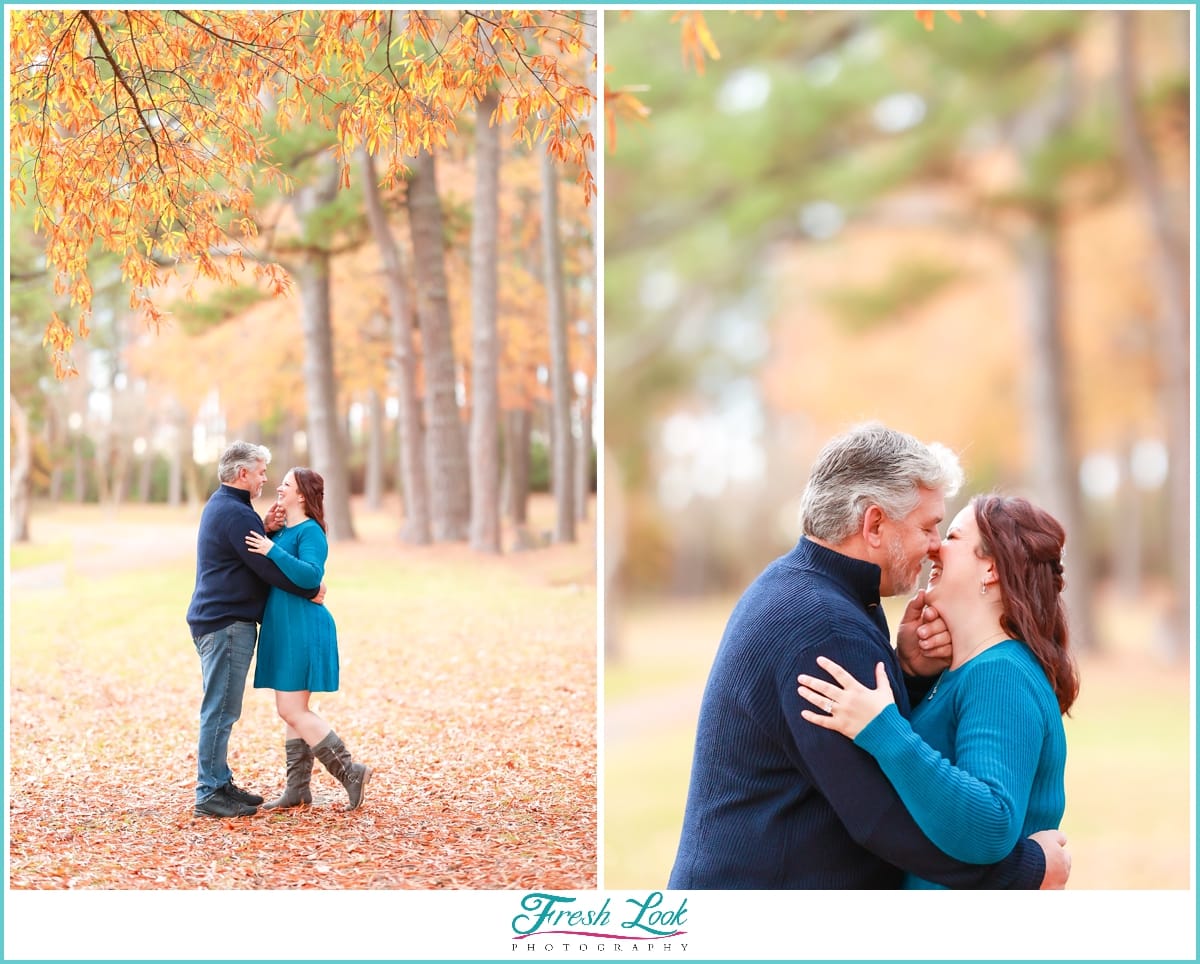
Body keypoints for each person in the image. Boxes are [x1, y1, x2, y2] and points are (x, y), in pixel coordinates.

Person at [667, 422, 1071, 889]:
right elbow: (881, 814)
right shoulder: (823, 624)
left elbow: (894, 769)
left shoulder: (810, 592)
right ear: (874, 524)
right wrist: (1027, 870)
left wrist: (907, 675)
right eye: (928, 526)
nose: (935, 544)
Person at [797, 494, 1078, 888]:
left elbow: (990, 824)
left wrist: (883, 729)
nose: (934, 547)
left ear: (992, 568)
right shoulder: (963, 673)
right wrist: (909, 671)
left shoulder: (1000, 674)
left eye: (952, 536)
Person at [187, 441, 324, 819]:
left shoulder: (229, 507)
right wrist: (313, 589)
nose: (266, 478)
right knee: (220, 710)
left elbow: (242, 555)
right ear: (242, 473)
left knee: (223, 708)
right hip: (226, 623)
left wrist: (263, 527)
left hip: (218, 620)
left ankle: (219, 782)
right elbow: (266, 570)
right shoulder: (235, 513)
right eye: (262, 471)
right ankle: (209, 793)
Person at [246, 467, 372, 811]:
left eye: (286, 484)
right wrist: (271, 533)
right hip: (283, 626)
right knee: (291, 712)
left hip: (303, 627)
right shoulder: (285, 530)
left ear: (301, 495)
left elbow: (311, 575)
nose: (279, 487)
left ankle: (350, 771)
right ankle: (298, 790)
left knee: (292, 708)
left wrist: (272, 548)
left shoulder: (312, 532)